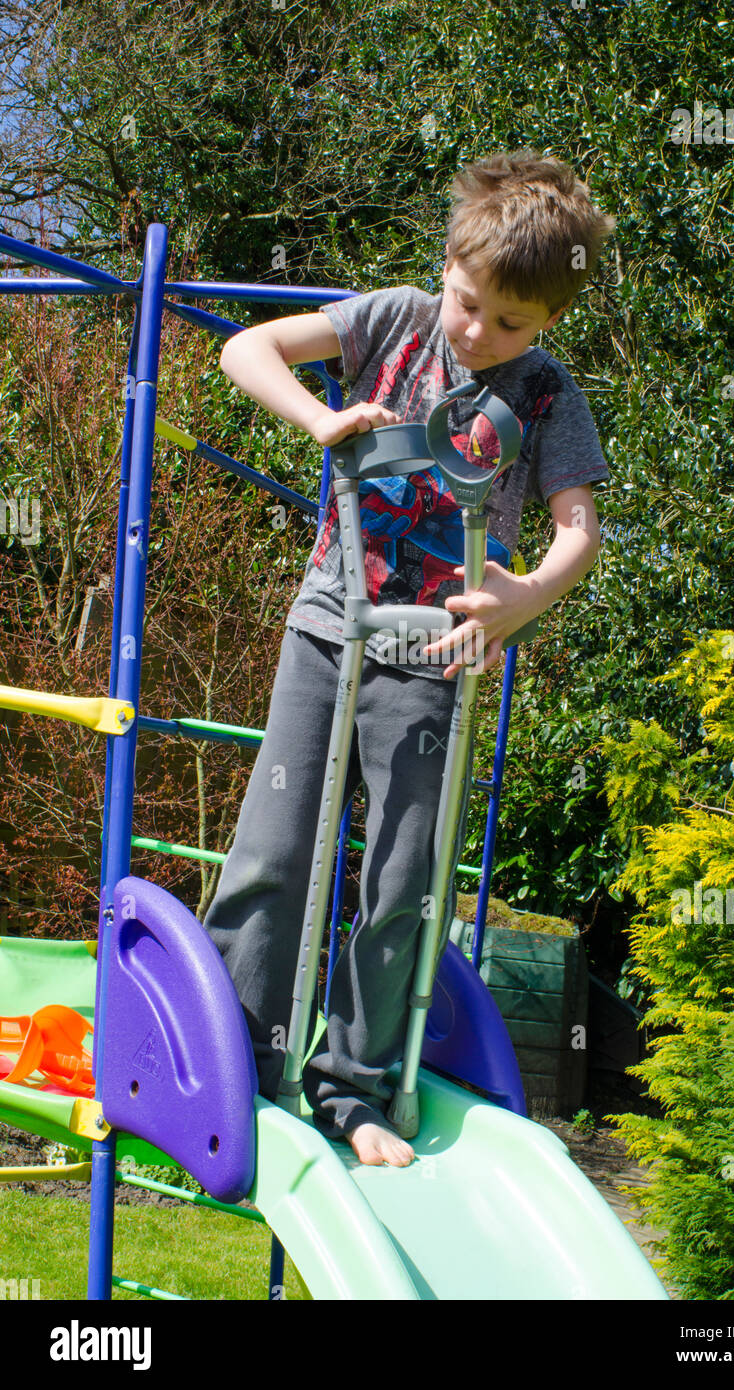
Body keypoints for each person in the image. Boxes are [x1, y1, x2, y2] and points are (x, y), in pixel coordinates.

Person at [203, 149, 615, 1166]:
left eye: (509, 324)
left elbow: (580, 529)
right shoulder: (388, 319)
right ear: (447, 264)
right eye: (469, 303)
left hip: (436, 654)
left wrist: (520, 599)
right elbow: (247, 351)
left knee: (404, 876)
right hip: (329, 622)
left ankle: (353, 1084)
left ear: (548, 324)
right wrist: (319, 414)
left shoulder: (545, 393)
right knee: (276, 842)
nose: (478, 333)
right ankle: (237, 1064)